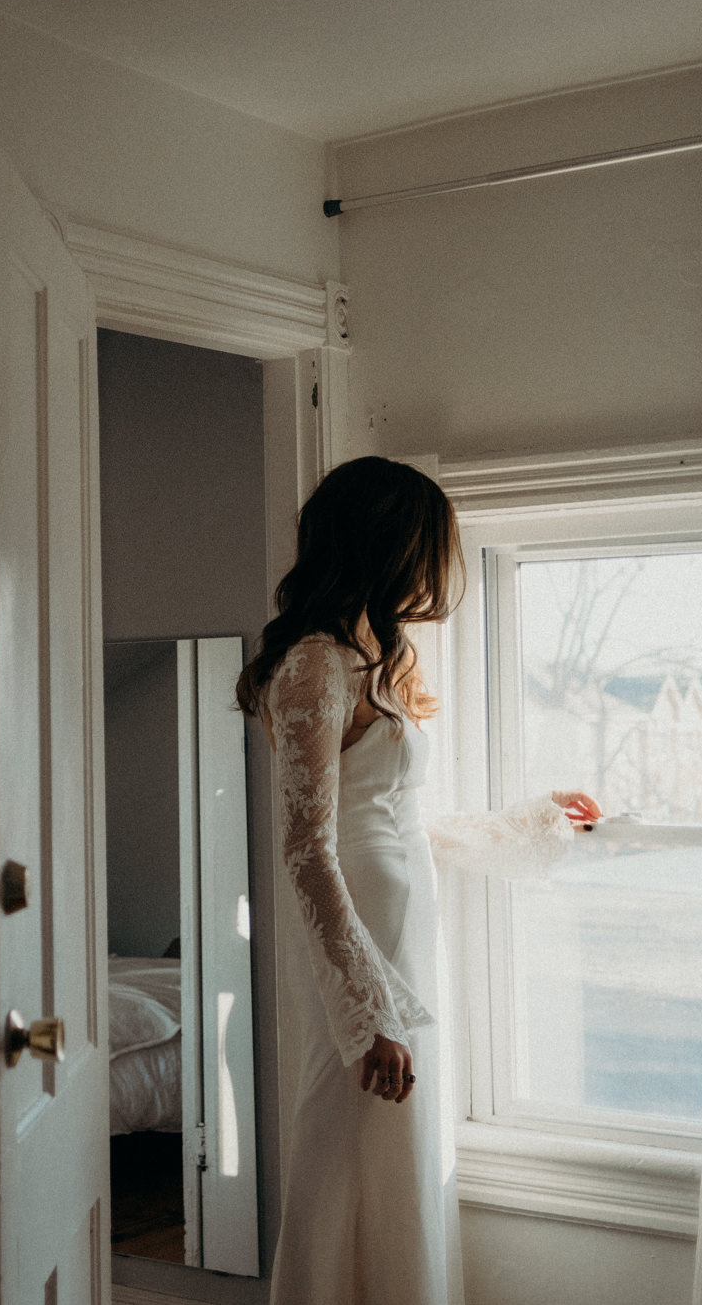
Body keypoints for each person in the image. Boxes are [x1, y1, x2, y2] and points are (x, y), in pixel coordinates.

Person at [237, 457, 601, 1305]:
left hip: (404, 932)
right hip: (358, 953)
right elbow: (306, 850)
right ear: (383, 545)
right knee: (340, 1160)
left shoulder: (368, 659)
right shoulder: (314, 667)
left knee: (398, 1165)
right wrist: (368, 1013)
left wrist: (540, 816)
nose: (431, 575)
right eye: (422, 550)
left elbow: (404, 820)